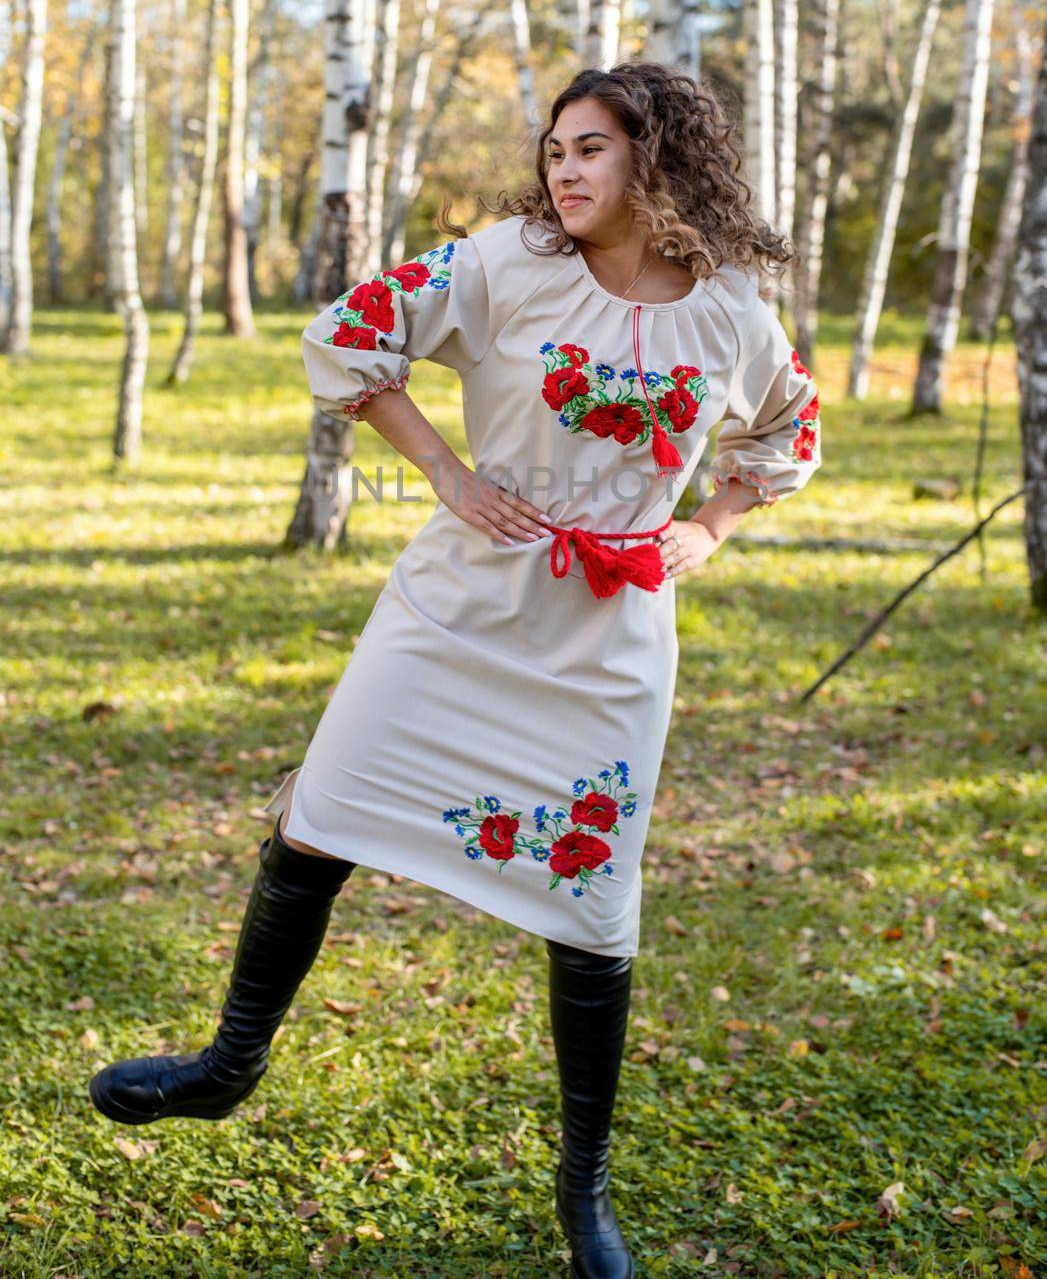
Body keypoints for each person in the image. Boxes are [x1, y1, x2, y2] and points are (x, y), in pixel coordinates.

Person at [89, 62, 822, 1279]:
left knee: (591, 912)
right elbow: (348, 336)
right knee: (319, 819)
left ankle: (583, 1193)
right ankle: (227, 1065)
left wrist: (711, 525)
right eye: (554, 149)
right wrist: (441, 468)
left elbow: (789, 429)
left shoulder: (733, 311)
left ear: (659, 158)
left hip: (610, 641)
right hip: (455, 611)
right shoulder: (501, 264)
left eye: (590, 148)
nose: (563, 169)